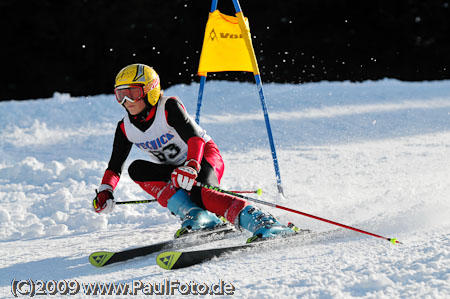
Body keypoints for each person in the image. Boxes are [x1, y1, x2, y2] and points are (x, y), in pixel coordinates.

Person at [92, 63, 296, 242]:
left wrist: (191, 166)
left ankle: (264, 221)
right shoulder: (125, 127)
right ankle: (197, 215)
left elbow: (195, 138)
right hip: (177, 170)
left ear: (150, 91)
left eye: (133, 93)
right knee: (137, 169)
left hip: (203, 156)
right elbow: (114, 166)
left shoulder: (168, 107)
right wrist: (105, 190)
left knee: (203, 194)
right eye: (120, 94)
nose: (127, 100)